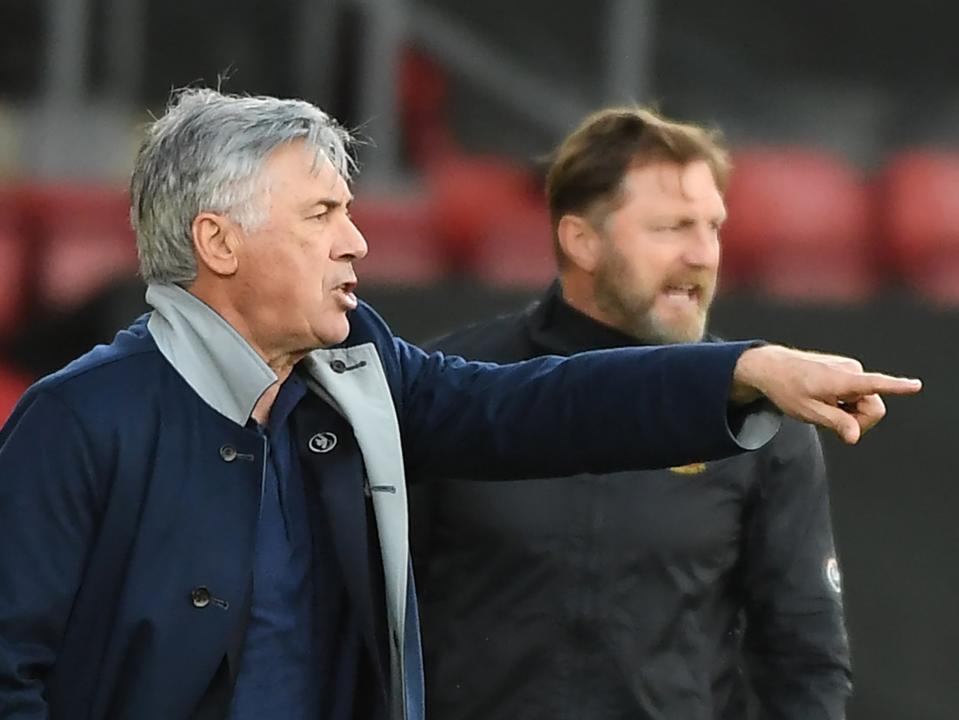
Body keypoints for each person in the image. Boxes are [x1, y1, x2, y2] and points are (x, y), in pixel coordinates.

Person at [0, 90, 919, 720]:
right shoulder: (76, 422)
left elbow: (539, 407)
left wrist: (741, 369)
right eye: (321, 214)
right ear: (219, 241)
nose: (356, 240)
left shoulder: (360, 372)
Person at [411, 108, 856, 719]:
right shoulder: (453, 388)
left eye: (714, 227)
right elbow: (371, 619)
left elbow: (805, 654)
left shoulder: (759, 415)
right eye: (673, 227)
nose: (704, 254)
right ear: (581, 241)